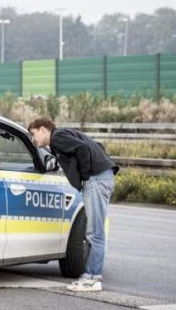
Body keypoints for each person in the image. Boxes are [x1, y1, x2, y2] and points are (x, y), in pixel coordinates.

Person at [28, 117, 119, 292]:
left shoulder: (58, 137)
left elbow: (83, 148)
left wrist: (85, 177)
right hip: (100, 177)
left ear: (43, 129)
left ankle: (92, 278)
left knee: (95, 233)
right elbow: (97, 146)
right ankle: (91, 277)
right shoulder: (61, 137)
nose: (33, 140)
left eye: (33, 134)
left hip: (96, 180)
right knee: (94, 231)